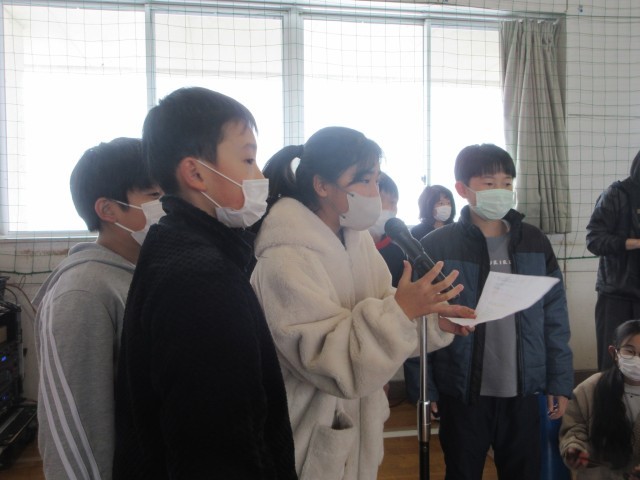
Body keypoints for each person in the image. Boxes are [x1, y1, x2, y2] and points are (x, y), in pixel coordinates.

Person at [250, 126, 475, 480]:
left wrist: (432, 322)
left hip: (358, 438)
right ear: (322, 186)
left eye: (377, 180)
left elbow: (387, 315)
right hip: (307, 443)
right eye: (365, 181)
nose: (375, 193)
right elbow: (332, 361)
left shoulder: (357, 242)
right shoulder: (283, 261)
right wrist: (402, 311)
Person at [112, 87, 297, 479]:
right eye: (248, 159)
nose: (260, 176)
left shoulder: (178, 244)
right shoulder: (200, 280)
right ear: (195, 173)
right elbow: (216, 450)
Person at [420, 143, 573, 480]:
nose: (501, 191)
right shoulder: (436, 246)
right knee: (462, 472)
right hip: (462, 392)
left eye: (507, 183)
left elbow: (555, 318)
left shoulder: (535, 242)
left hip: (524, 391)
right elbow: (420, 322)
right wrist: (425, 388)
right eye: (489, 183)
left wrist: (559, 381)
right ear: (462, 189)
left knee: (524, 472)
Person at [33, 137, 163, 480]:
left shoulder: (145, 272)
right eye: (155, 195)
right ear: (107, 210)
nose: (168, 206)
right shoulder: (82, 292)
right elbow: (73, 425)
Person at [559, 319, 640, 479]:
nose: (637, 359)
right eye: (629, 351)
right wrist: (575, 449)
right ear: (614, 353)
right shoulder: (589, 389)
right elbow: (574, 427)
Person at [586, 151, 640, 371]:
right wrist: (633, 243)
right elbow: (594, 240)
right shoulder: (616, 194)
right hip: (617, 295)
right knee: (614, 366)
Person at [404, 184, 457, 406]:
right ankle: (425, 398)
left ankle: (447, 397)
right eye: (439, 202)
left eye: (447, 201)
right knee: (422, 348)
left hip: (452, 295)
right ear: (428, 205)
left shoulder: (457, 231)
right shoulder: (416, 234)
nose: (444, 206)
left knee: (449, 349)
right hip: (425, 297)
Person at [368, 171, 405, 287]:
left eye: (395, 203)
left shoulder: (397, 249)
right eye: (391, 202)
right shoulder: (349, 244)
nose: (393, 209)